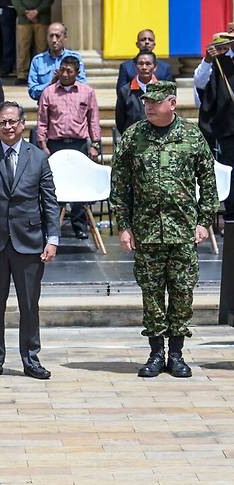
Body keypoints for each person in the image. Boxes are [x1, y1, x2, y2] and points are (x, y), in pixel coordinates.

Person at [110, 81, 218, 379]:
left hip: (183, 232)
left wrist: (204, 220)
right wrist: (124, 226)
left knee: (183, 293)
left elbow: (208, 181)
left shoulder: (192, 136)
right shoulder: (134, 137)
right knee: (152, 293)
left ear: (172, 102)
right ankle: (156, 353)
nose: (148, 106)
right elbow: (119, 185)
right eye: (146, 102)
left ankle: (177, 353)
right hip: (146, 232)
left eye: (155, 102)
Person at [0, 101, 60, 380]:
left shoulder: (38, 158)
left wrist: (51, 238)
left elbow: (49, 202)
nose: (7, 127)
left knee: (29, 303)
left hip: (29, 241)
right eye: (2, 122)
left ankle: (31, 358)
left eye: (12, 122)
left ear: (22, 124)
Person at [36, 55, 100, 240]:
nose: (65, 74)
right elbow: (42, 120)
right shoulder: (48, 92)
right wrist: (42, 144)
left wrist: (95, 144)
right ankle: (52, 227)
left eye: (69, 71)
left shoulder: (87, 92)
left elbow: (93, 119)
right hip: (55, 144)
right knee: (52, 186)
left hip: (79, 144)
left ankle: (79, 226)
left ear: (77, 73)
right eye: (62, 70)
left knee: (79, 185)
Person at [195, 32, 234, 220]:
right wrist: (208, 60)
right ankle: (231, 217)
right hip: (229, 128)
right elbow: (200, 83)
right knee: (232, 174)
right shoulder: (219, 61)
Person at [28, 22, 86, 101]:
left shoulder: (75, 58)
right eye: (51, 36)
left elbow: (83, 86)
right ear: (47, 37)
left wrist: (65, 81)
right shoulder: (38, 61)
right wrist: (51, 83)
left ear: (65, 37)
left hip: (71, 105)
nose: (54, 40)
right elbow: (33, 93)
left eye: (57, 36)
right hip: (47, 107)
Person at [115, 51, 158, 135]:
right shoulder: (125, 91)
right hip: (133, 141)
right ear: (135, 66)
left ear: (155, 67)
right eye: (140, 64)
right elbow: (120, 121)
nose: (144, 67)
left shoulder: (162, 89)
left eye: (148, 64)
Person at [13, 0, 54, 85]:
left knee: (42, 48)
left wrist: (37, 11)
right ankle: (22, 74)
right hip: (24, 19)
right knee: (23, 48)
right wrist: (24, 11)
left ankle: (42, 73)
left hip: (42, 18)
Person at [0, 0, 17, 78]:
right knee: (7, 39)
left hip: (26, 7)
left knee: (25, 40)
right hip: (6, 6)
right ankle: (7, 67)